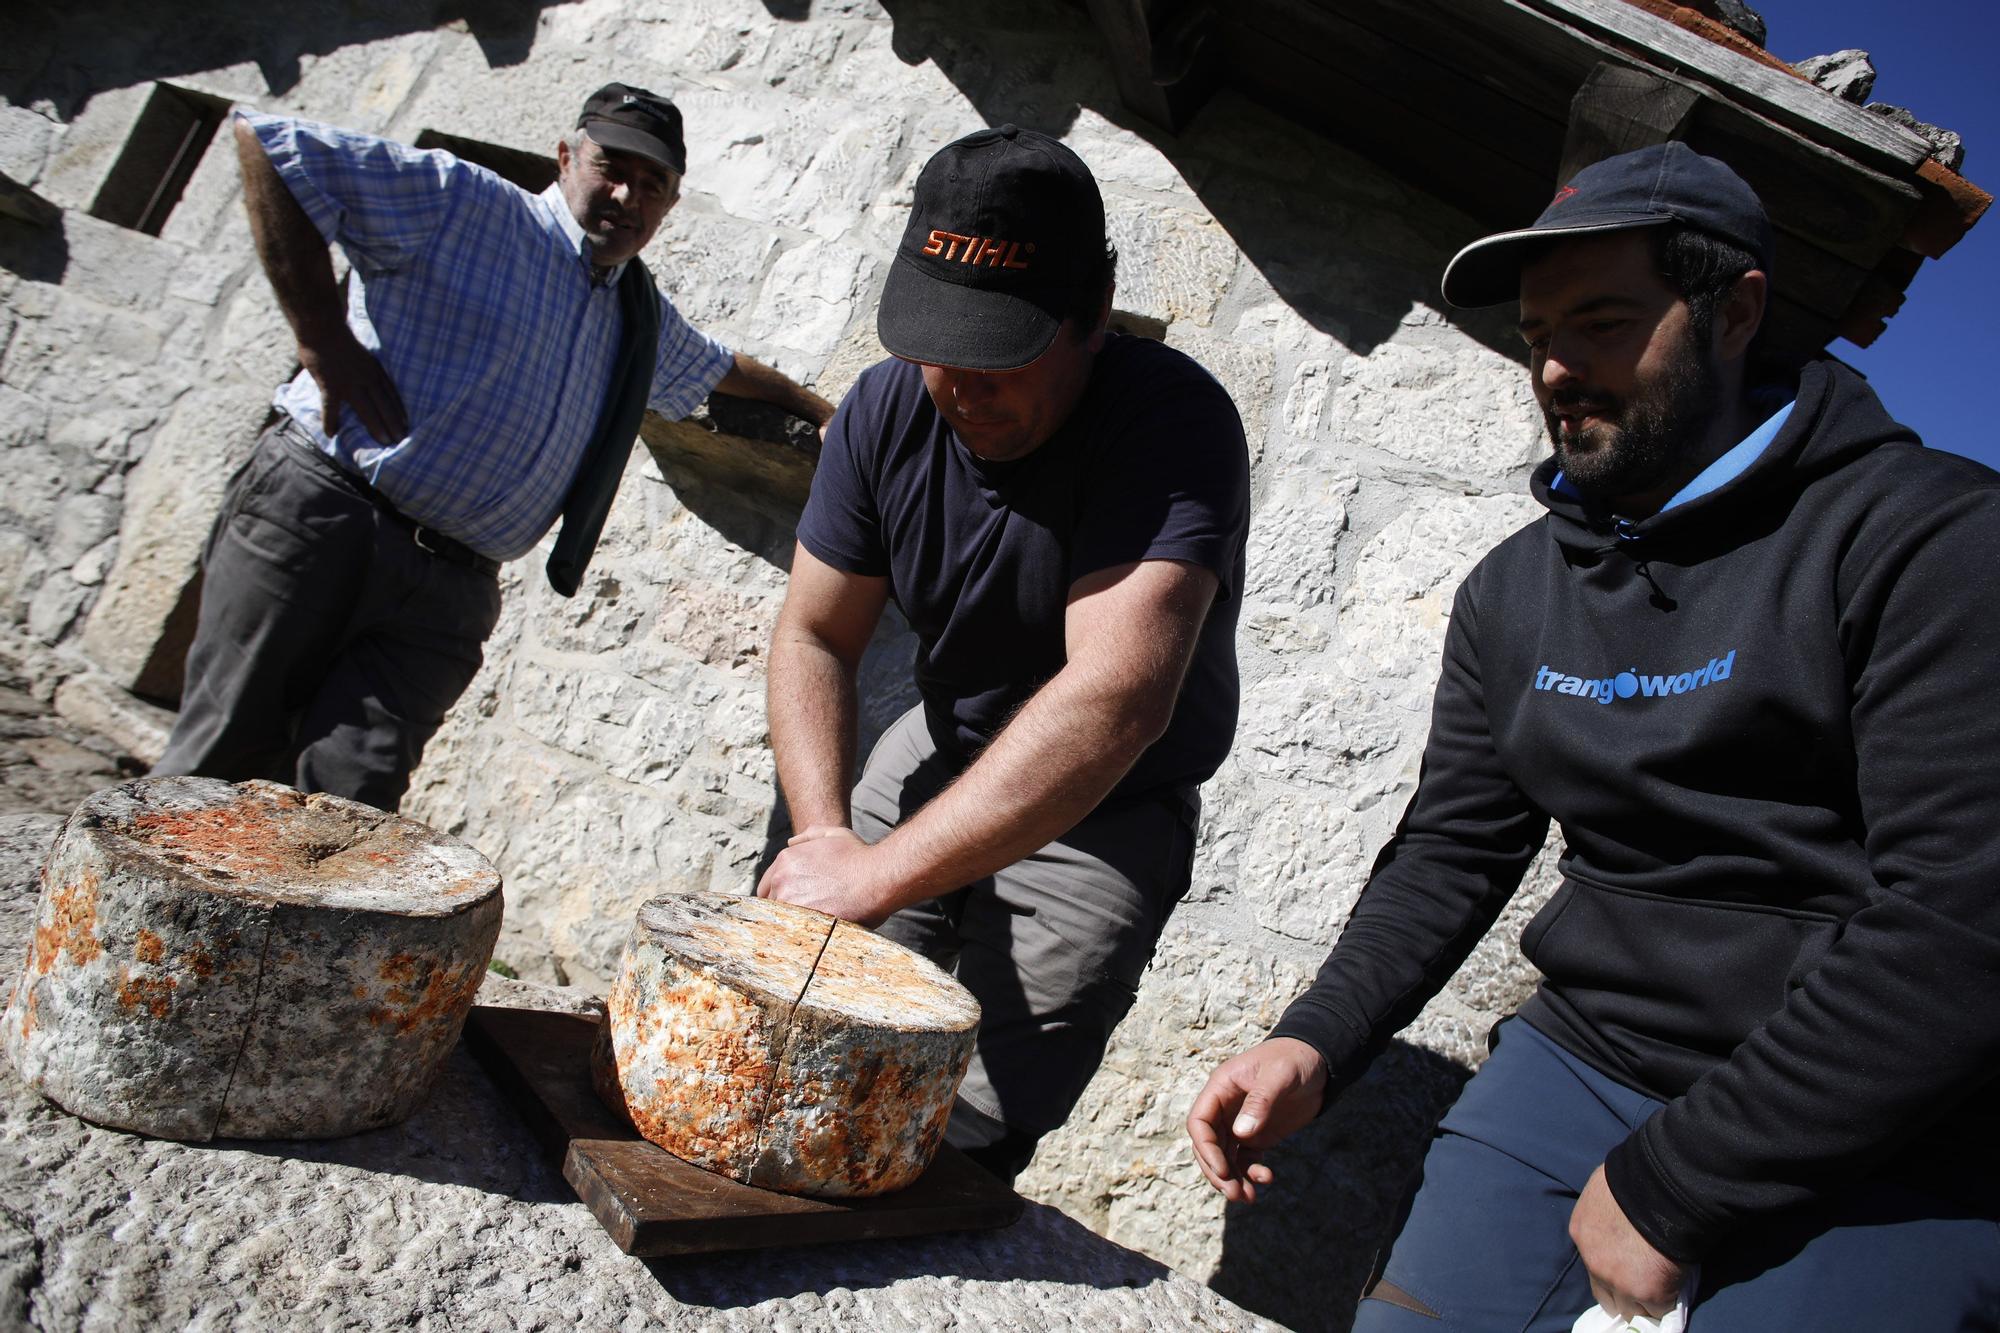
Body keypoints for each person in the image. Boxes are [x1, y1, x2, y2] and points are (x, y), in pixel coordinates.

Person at [1187, 142, 2000, 1330]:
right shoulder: (1512, 592)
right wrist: (1317, 1036)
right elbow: (1452, 849)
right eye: (1534, 338)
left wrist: (1675, 1184)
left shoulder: (1930, 541)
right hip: (1581, 1065)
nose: (1556, 367)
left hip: (1889, 1118)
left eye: (1603, 323)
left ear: (1735, 312)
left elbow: (1963, 919)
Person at [755, 125, 1251, 1181]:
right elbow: (812, 631)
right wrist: (826, 840)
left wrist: (875, 873)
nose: (959, 384)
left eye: (1000, 350)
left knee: (958, 1135)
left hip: (1103, 806)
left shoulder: (1170, 424)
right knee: (799, 1037)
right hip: (936, 743)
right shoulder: (890, 406)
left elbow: (1112, 700)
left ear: (1094, 317)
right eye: (938, 341)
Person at [153, 84, 833, 811]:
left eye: (652, 184)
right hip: (324, 515)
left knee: (350, 810)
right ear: (567, 156)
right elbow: (275, 147)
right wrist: (321, 337)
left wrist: (816, 406)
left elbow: (719, 367)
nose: (627, 193)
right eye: (612, 165)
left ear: (668, 205)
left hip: (450, 590)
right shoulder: (466, 202)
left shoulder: (636, 313)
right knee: (218, 766)